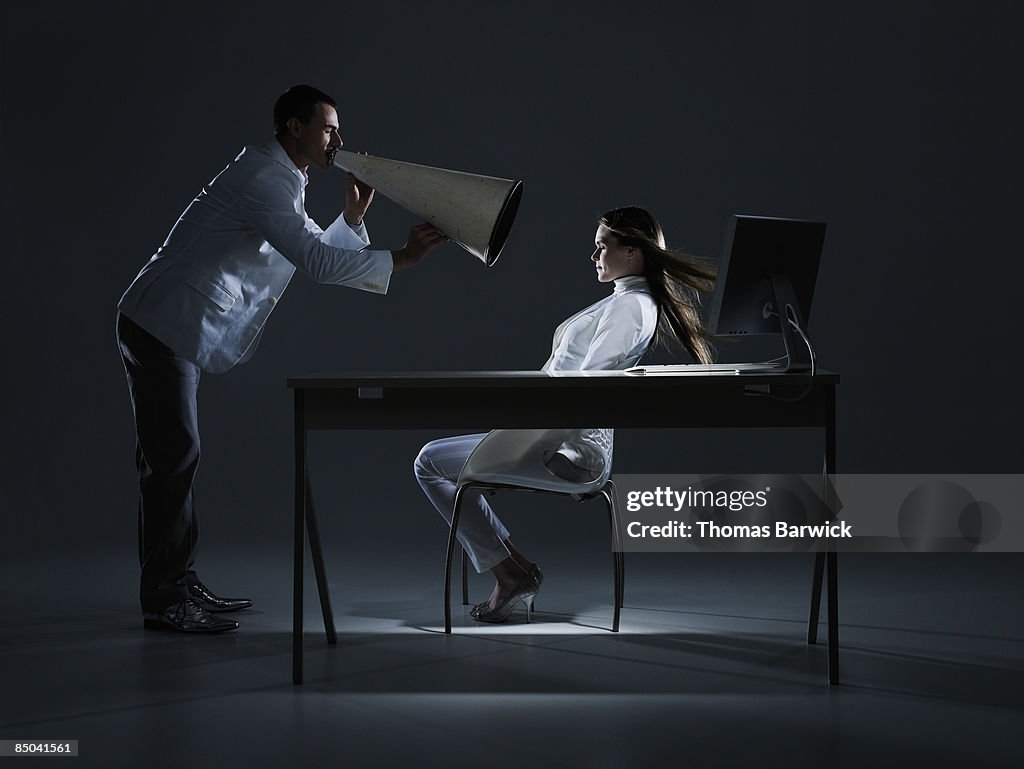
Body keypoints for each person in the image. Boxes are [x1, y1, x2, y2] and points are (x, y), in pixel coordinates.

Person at [117, 84, 446, 633]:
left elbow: (312, 242)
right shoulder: (266, 179)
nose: (337, 139)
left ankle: (177, 579)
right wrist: (403, 259)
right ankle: (166, 597)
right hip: (160, 322)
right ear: (294, 127)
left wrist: (352, 217)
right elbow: (315, 262)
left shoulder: (280, 178)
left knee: (174, 457)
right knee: (173, 458)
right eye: (327, 128)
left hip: (168, 323)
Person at [414, 206, 715, 623]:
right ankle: (514, 570)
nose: (593, 257)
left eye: (601, 247)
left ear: (631, 252)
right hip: (552, 433)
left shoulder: (632, 307)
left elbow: (585, 389)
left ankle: (510, 574)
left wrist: (518, 425)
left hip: (566, 448)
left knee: (431, 462)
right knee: (436, 460)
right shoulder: (626, 302)